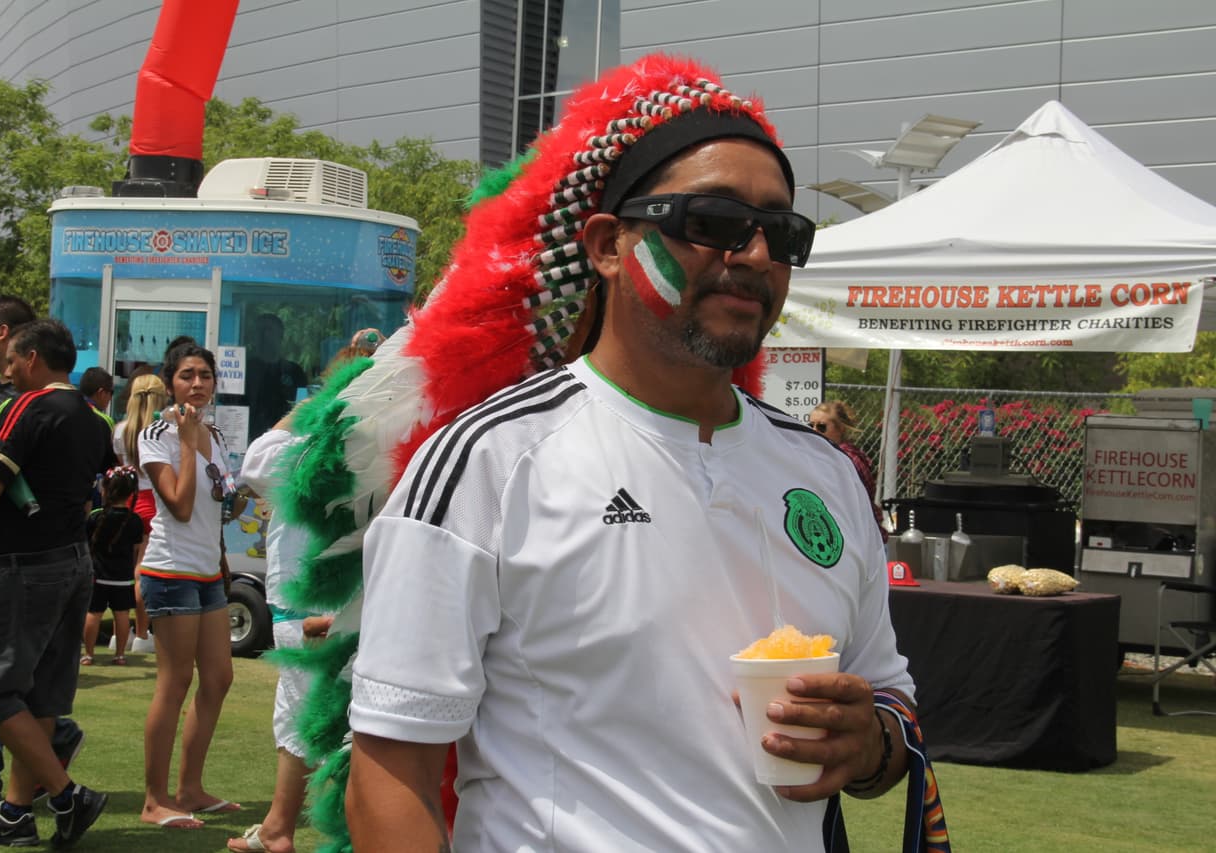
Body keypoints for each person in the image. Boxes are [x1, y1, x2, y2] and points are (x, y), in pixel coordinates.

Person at [341, 55, 941, 852]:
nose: (757, 254)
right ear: (607, 246)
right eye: (714, 222)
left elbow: (891, 700)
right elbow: (393, 773)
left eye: (783, 231)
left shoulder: (825, 474)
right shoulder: (488, 461)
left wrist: (868, 741)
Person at [0, 318, 115, 847]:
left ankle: (66, 796)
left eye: (13, 361)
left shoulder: (27, 406)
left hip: (21, 566)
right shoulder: (94, 417)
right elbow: (88, 497)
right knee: (38, 700)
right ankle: (16, 813)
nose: (8, 373)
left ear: (33, 358)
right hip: (73, 561)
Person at [135, 342, 239, 829]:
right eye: (186, 375)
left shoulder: (215, 434)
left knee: (218, 678)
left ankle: (190, 789)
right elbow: (178, 503)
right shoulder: (156, 434)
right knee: (174, 682)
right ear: (170, 382)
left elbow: (224, 504)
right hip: (170, 570)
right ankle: (155, 799)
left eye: (205, 375)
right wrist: (185, 438)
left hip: (207, 572)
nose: (197, 383)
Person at [228, 413, 330, 853]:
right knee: (294, 719)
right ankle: (276, 829)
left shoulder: (328, 441)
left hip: (316, 608)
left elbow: (257, 462)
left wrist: (307, 409)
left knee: (332, 731)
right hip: (306, 604)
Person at [114, 372, 170, 640]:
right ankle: (141, 633)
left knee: (123, 570)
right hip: (152, 501)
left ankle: (119, 633)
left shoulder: (120, 431)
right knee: (143, 572)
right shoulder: (163, 432)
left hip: (128, 501)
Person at [82, 467, 145, 665]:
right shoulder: (135, 520)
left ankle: (89, 654)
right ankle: (119, 655)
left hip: (98, 575)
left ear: (106, 490)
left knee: (93, 614)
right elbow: (136, 548)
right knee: (122, 614)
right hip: (123, 576)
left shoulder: (96, 516)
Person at [810, 400, 888, 542]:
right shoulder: (824, 456)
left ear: (841, 429)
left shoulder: (847, 459)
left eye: (821, 427)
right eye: (811, 425)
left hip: (858, 536)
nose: (814, 431)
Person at [246, 314, 307, 439]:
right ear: (254, 336)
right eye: (261, 331)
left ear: (281, 336)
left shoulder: (294, 372)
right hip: (249, 438)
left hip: (285, 439)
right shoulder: (245, 369)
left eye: (269, 330)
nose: (265, 336)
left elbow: (303, 408)